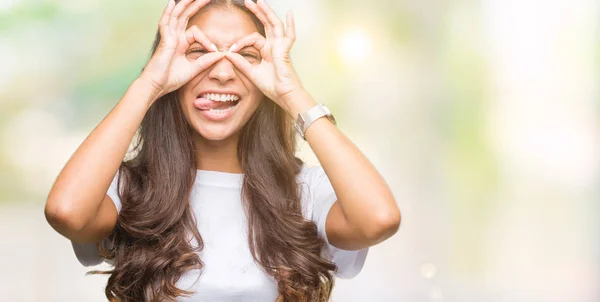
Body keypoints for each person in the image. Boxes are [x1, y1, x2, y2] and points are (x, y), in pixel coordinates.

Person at [44, 0, 401, 301]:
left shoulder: (304, 191)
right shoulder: (128, 188)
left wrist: (292, 93)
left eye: (247, 55)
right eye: (198, 52)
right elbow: (66, 212)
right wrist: (150, 84)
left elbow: (379, 219)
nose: (222, 72)